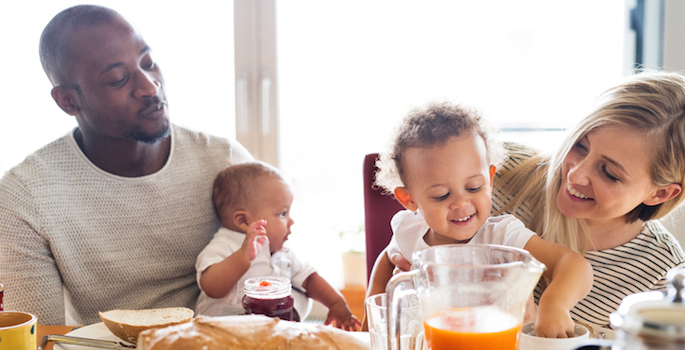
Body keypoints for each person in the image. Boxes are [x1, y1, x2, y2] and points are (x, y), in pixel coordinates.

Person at [0, 5, 253, 325]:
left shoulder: (225, 162)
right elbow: (38, 337)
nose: (150, 87)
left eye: (149, 63)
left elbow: (276, 279)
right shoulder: (26, 196)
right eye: (118, 79)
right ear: (68, 101)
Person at [390, 71, 685, 328]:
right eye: (580, 145)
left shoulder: (664, 271)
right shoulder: (498, 175)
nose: (574, 175)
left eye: (609, 173)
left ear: (659, 193)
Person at [366, 101, 593, 338]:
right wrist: (371, 320)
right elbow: (387, 259)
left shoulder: (504, 237)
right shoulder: (409, 230)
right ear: (409, 199)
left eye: (474, 187)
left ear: (490, 178)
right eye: (441, 195)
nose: (462, 204)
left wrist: (554, 305)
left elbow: (574, 265)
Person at [195, 161, 361, 330]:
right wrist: (243, 256)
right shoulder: (223, 246)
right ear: (243, 221)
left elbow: (310, 280)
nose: (291, 221)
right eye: (282, 213)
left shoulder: (283, 253)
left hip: (270, 332)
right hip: (222, 332)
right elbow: (212, 288)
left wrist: (336, 303)